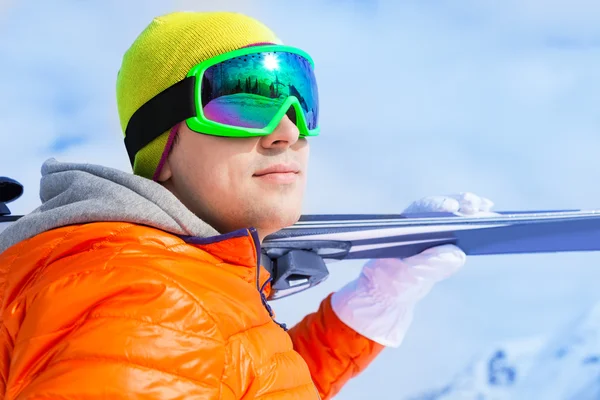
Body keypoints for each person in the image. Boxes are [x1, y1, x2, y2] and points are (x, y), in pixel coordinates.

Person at [0, 11, 496, 400]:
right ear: (163, 149)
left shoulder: (167, 292)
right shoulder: (154, 301)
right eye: (244, 101)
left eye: (299, 97)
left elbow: (228, 375)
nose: (287, 129)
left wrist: (372, 304)